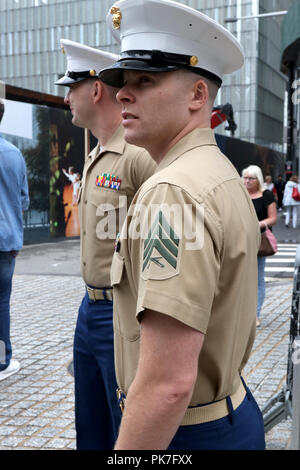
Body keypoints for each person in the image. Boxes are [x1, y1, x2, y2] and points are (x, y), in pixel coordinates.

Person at [99, 0, 265, 450]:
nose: (122, 94)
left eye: (144, 80)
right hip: (227, 412)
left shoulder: (171, 191)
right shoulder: (218, 170)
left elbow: (167, 386)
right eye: (123, 82)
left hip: (184, 433)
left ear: (197, 95)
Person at [55, 39, 155, 450]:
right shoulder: (97, 154)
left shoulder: (137, 155)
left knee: (123, 426)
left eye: (71, 87)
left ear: (95, 89)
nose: (66, 98)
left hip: (121, 311)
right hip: (89, 306)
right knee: (90, 423)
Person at [0, 99, 29, 381]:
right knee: (1, 304)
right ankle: (1, 361)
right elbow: (23, 201)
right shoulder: (14, 154)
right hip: (6, 242)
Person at [242, 166, 277, 327]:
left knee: (257, 278)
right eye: (245, 177)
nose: (247, 181)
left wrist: (259, 224)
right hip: (239, 239)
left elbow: (273, 218)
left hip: (258, 240)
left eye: (251, 178)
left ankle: (255, 315)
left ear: (258, 179)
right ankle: (240, 314)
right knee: (240, 278)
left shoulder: (266, 195)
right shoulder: (240, 193)